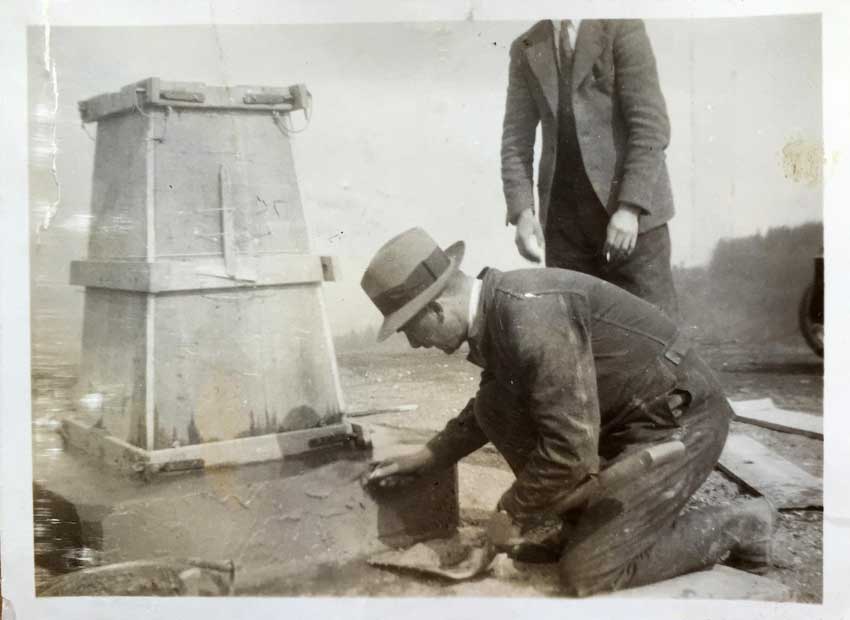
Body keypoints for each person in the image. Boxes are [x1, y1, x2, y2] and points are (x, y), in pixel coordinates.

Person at [360, 228, 774, 597]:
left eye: (409, 329)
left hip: (679, 424)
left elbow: (570, 450)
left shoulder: (529, 315)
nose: (415, 344)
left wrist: (510, 511)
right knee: (493, 405)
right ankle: (582, 528)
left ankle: (741, 524)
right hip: (625, 422)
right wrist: (431, 455)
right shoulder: (497, 312)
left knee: (589, 573)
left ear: (436, 309)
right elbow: (494, 405)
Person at [501, 19, 679, 318]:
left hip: (633, 225)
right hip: (565, 229)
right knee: (578, 340)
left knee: (654, 337)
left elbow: (651, 127)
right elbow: (515, 139)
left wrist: (630, 208)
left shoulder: (622, 28)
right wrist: (523, 213)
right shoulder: (526, 46)